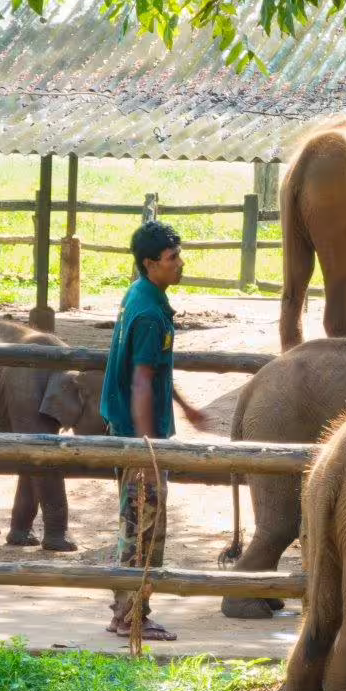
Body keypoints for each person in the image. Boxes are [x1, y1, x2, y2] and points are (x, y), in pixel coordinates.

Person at [100, 220, 208, 642]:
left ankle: (127, 609)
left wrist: (185, 406)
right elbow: (142, 380)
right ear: (150, 264)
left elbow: (154, 370)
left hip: (135, 433)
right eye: (171, 258)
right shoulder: (148, 314)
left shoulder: (142, 297)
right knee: (144, 526)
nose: (179, 264)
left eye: (178, 255)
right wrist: (149, 449)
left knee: (136, 520)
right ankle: (130, 616)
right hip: (140, 438)